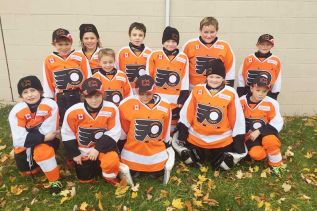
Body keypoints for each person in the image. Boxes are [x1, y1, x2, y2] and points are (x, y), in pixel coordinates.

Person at [173, 59, 246, 170]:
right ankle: (195, 152)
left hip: (221, 139)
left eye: (218, 77)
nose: (214, 80)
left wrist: (238, 143)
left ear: (223, 78)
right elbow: (187, 113)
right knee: (190, 158)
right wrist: (182, 134)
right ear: (206, 76)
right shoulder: (197, 89)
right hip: (197, 137)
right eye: (211, 76)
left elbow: (236, 119)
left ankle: (222, 154)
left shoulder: (230, 93)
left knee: (223, 165)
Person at [61, 78, 121, 184]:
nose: (94, 100)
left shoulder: (111, 108)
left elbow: (114, 132)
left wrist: (97, 148)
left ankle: (109, 176)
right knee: (85, 179)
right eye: (89, 97)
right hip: (83, 150)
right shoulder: (73, 111)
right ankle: (76, 162)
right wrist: (75, 153)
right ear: (83, 96)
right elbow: (67, 133)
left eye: (97, 96)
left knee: (111, 160)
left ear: (103, 94)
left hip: (103, 148)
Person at [8, 76, 62, 194]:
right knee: (28, 171)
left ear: (40, 91)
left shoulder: (50, 104)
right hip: (30, 141)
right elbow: (18, 139)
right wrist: (39, 137)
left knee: (42, 152)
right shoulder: (16, 111)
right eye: (25, 92)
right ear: (21, 95)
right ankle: (41, 160)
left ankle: (54, 180)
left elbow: (49, 132)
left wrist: (37, 137)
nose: (30, 95)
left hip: (48, 139)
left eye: (33, 90)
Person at [118, 75, 172, 178]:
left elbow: (165, 129)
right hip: (132, 150)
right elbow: (124, 130)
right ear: (136, 90)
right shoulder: (126, 104)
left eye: (148, 93)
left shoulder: (165, 104)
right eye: (141, 93)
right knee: (131, 171)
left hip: (155, 150)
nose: (145, 97)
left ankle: (153, 166)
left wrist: (166, 141)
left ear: (154, 90)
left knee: (158, 173)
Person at [42, 28, 91, 123]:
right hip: (60, 96)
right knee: (63, 120)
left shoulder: (80, 57)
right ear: (54, 44)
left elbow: (87, 76)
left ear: (71, 43)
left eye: (67, 44)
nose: (64, 47)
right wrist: (49, 99)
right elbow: (47, 80)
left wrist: (88, 94)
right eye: (60, 44)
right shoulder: (49, 59)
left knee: (79, 119)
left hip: (78, 94)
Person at [146, 26, 189, 133]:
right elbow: (148, 76)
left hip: (175, 99)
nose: (170, 44)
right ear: (163, 41)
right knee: (157, 124)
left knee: (172, 126)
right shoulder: (154, 55)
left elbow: (185, 78)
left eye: (174, 41)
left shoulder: (183, 57)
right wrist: (149, 95)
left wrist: (182, 98)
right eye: (168, 41)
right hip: (157, 97)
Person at [240, 74, 284, 176]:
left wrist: (260, 130)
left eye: (264, 91)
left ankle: (276, 165)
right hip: (250, 136)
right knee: (257, 154)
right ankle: (267, 152)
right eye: (258, 90)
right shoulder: (241, 101)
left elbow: (277, 122)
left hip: (266, 133)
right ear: (251, 88)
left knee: (270, 141)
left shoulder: (272, 103)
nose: (261, 94)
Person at [182, 17, 235, 89]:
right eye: (206, 32)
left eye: (212, 32)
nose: (209, 35)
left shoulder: (225, 46)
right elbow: (181, 67)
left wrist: (227, 89)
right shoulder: (189, 45)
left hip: (216, 89)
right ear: (200, 30)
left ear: (217, 30)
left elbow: (230, 71)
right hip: (192, 89)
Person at [237, 34, 281, 100]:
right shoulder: (249, 58)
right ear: (257, 45)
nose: (265, 47)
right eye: (262, 44)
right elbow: (241, 75)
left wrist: (274, 94)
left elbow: (278, 78)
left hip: (266, 92)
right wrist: (241, 91)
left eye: (268, 45)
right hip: (249, 92)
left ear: (272, 46)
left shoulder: (276, 60)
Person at [117, 22, 152, 93]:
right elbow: (117, 70)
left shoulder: (149, 52)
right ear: (130, 36)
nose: (137, 37)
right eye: (134, 35)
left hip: (143, 90)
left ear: (144, 37)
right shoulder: (122, 51)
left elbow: (151, 72)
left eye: (140, 35)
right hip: (126, 88)